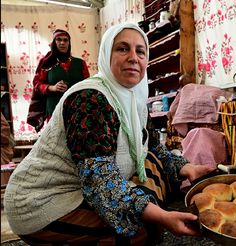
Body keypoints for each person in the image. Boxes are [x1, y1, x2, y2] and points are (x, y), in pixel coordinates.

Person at [4, 22, 215, 245]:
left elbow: (153, 146)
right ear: (107, 54)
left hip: (83, 189)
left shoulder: (134, 100)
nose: (133, 57)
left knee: (154, 166)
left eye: (140, 51)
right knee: (140, 229)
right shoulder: (90, 99)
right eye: (123, 48)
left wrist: (187, 167)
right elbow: (100, 181)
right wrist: (161, 216)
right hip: (41, 202)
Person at [27, 29, 90, 132]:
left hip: (77, 111)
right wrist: (52, 88)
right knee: (55, 143)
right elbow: (37, 85)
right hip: (54, 110)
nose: (62, 43)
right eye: (59, 40)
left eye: (66, 40)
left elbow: (88, 85)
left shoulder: (80, 63)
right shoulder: (46, 63)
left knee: (75, 143)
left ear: (69, 43)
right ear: (53, 42)